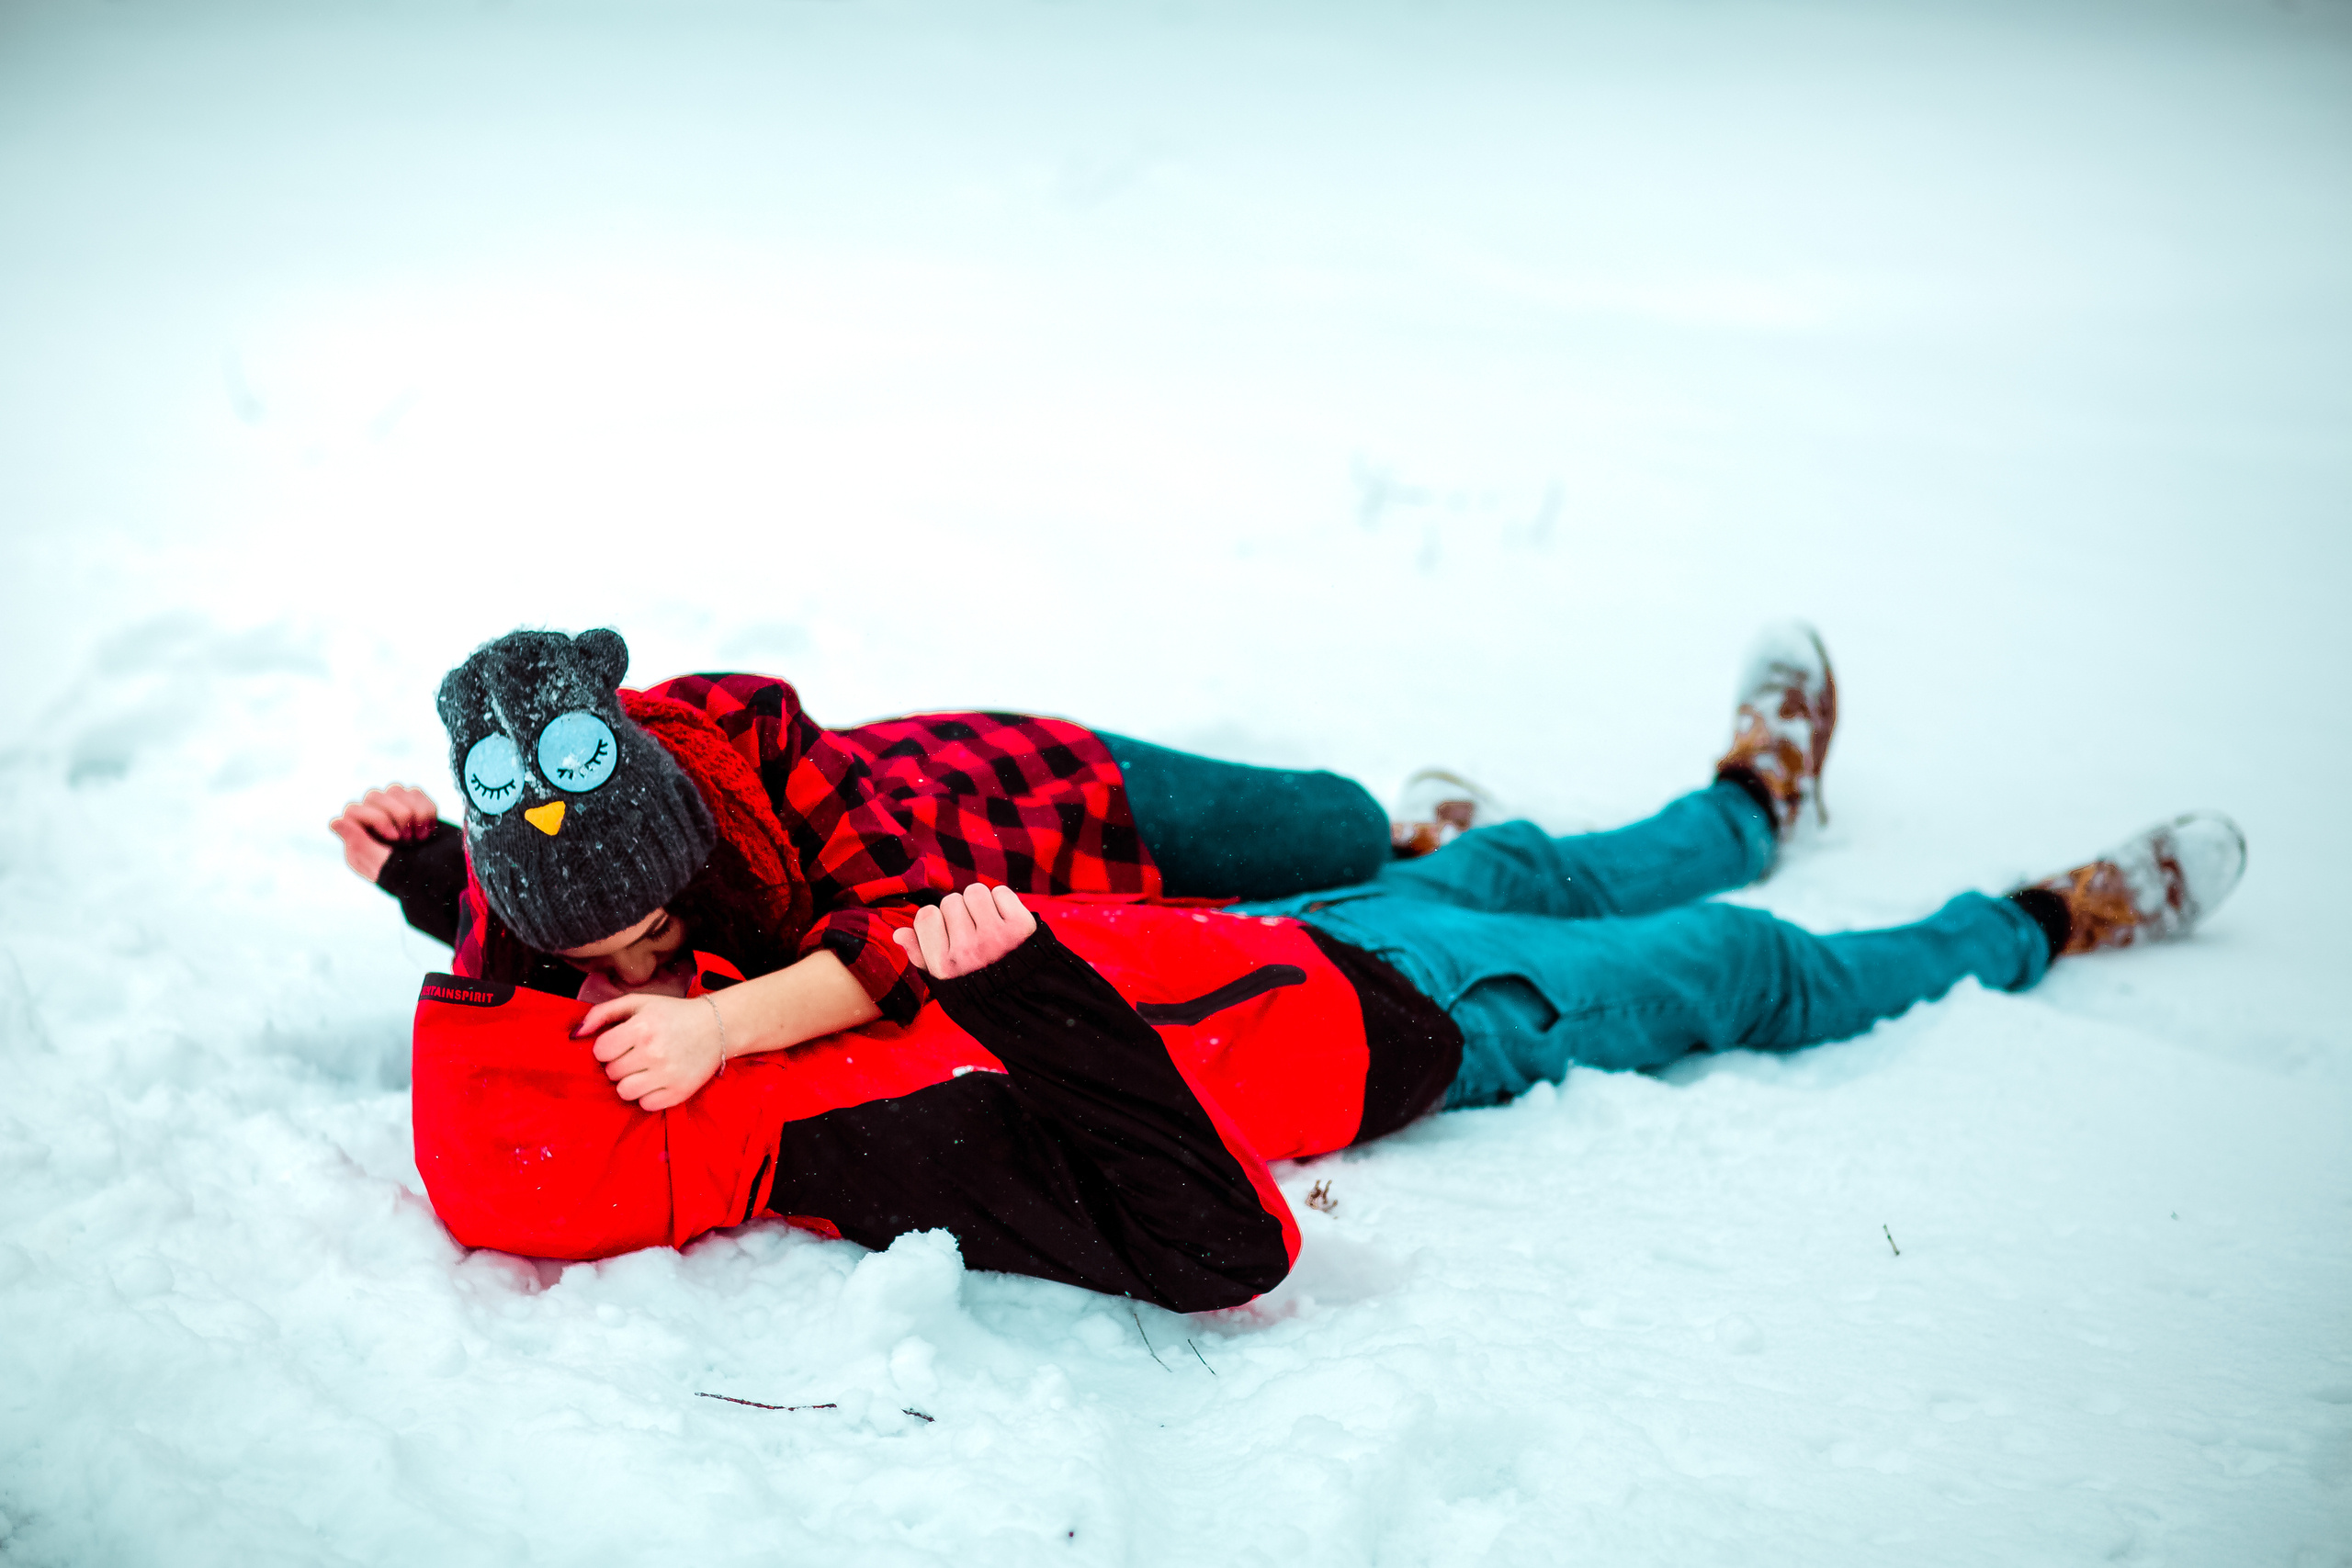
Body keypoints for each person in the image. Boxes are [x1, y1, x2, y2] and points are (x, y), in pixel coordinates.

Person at [400, 623, 2245, 1308]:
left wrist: (440, 877)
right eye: (599, 987)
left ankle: (1748, 792)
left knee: (1525, 856)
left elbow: (814, 939)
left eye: (650, 954)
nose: (629, 990)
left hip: (1281, 938)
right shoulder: (854, 1157)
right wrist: (1011, 987)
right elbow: (1218, 1247)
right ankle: (2036, 919)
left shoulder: (730, 931)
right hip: (1400, 1036)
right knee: (1730, 968)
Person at [338, 628, 1471, 1110]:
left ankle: (1432, 832)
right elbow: (495, 987)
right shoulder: (522, 881)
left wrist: (721, 1028)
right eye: (607, 960)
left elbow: (901, 929)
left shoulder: (743, 736)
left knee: (1337, 832)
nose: (643, 971)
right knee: (1315, 922)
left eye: (660, 932)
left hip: (1042, 794)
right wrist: (415, 859)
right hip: (1062, 914)